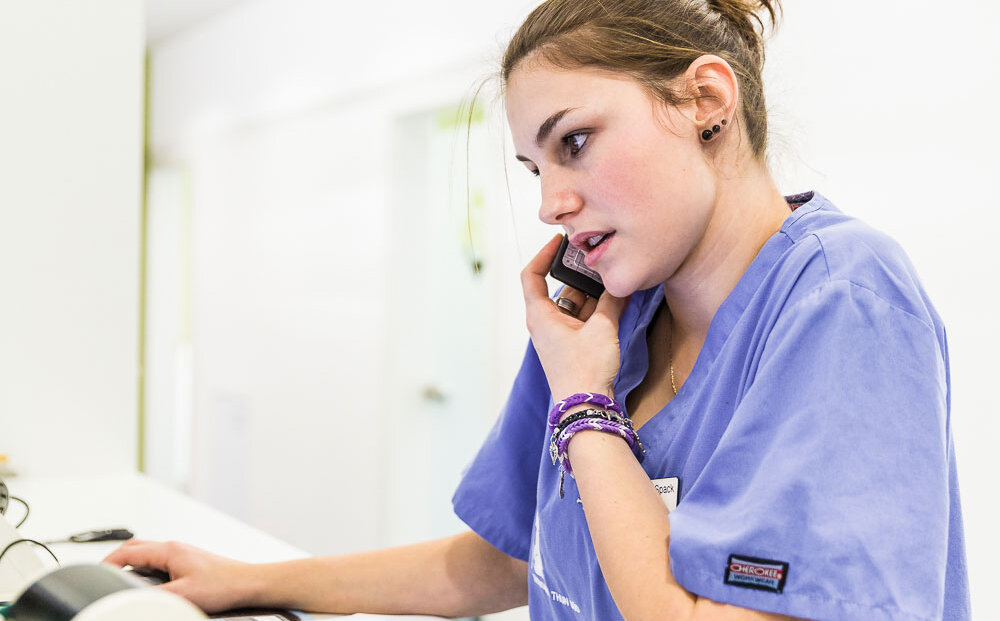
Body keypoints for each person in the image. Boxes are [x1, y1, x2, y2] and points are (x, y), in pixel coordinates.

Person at [105, 0, 971, 619]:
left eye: (576, 142)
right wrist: (254, 581)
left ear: (705, 101)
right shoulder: (608, 313)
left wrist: (588, 408)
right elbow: (512, 559)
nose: (553, 201)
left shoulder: (843, 300)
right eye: (534, 168)